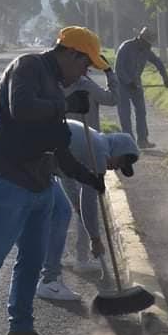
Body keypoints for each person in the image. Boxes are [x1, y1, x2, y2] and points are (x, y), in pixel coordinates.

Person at [0, 26, 109, 335]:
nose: (83, 74)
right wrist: (66, 103)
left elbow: (57, 144)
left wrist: (87, 176)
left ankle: (22, 329)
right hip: (8, 178)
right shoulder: (27, 67)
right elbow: (22, 108)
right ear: (71, 54)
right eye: (84, 66)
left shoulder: (56, 85)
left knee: (31, 260)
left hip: (41, 182)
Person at [37, 121, 140, 300]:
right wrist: (95, 238)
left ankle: (49, 270)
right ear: (118, 150)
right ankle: (48, 279)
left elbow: (65, 174)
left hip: (41, 160)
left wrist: (75, 202)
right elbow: (89, 203)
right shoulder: (98, 154)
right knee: (59, 215)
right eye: (121, 162)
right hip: (36, 161)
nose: (116, 168)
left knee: (59, 213)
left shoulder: (96, 141)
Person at [59, 59, 119, 272]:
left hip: (60, 151)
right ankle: (83, 258)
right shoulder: (86, 84)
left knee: (66, 207)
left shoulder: (55, 84)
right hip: (87, 151)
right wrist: (109, 72)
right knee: (86, 206)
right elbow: (113, 98)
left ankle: (59, 256)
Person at [115, 27, 168, 148]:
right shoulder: (125, 47)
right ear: (140, 39)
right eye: (147, 43)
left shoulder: (146, 50)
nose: (149, 47)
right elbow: (118, 69)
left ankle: (142, 140)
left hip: (136, 85)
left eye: (150, 44)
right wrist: (128, 82)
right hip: (122, 85)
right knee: (125, 114)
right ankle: (128, 142)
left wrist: (166, 79)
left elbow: (159, 63)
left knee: (141, 112)